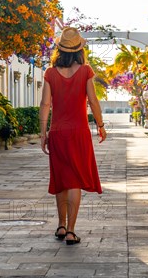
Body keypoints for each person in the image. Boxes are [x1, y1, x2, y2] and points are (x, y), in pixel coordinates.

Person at [39, 27, 107, 246]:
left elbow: (45, 104)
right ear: (79, 50)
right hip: (79, 133)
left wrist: (43, 132)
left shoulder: (50, 73)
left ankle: (60, 225)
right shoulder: (85, 71)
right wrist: (101, 125)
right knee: (75, 180)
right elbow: (93, 101)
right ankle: (70, 231)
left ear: (59, 49)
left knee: (61, 180)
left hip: (57, 132)